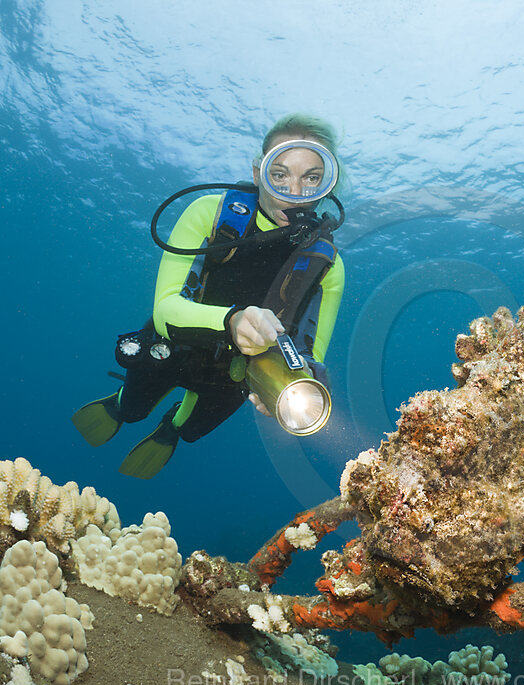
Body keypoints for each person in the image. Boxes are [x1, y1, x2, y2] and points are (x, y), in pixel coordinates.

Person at [72, 114, 346, 478]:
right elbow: (166, 310)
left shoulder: (329, 266)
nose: (293, 193)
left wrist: (300, 381)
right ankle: (120, 406)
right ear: (257, 172)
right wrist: (232, 321)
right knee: (133, 408)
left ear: (327, 185)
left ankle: (171, 428)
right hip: (171, 347)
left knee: (189, 431)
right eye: (279, 174)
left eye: (311, 178)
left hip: (234, 377)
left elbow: (311, 357)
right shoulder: (210, 214)